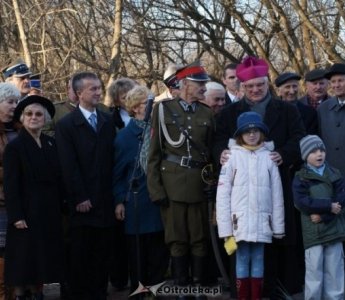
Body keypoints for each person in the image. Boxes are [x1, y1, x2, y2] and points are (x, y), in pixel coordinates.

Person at [214, 56, 305, 296]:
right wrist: (220, 153)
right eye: (250, 86)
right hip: (240, 191)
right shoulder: (229, 113)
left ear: (268, 84)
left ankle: (272, 287)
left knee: (274, 235)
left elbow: (299, 138)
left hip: (276, 183)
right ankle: (241, 290)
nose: (255, 90)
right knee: (241, 244)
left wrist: (283, 154)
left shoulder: (286, 110)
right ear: (241, 87)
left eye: (260, 85)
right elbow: (216, 140)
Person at [147, 61, 215, 296]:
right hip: (172, 184)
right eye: (199, 84)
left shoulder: (207, 112)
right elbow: (153, 153)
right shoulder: (163, 109)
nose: (203, 88)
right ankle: (181, 284)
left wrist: (212, 183)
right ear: (185, 84)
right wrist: (155, 190)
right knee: (176, 238)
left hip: (199, 182)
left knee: (199, 237)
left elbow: (211, 151)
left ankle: (198, 284)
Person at [55, 71, 116, 300]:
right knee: (80, 255)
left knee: (102, 255)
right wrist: (79, 196)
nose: (99, 92)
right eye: (93, 89)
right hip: (82, 205)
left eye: (99, 88)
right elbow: (67, 165)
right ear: (79, 93)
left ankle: (99, 293)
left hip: (105, 200)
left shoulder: (107, 121)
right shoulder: (66, 125)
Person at [217, 111, 285, 299]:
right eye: (247, 132)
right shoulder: (231, 158)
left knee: (258, 259)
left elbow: (277, 196)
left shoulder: (269, 158)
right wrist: (225, 229)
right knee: (242, 258)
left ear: (261, 132)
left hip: (263, 220)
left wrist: (278, 227)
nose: (252, 134)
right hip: (239, 222)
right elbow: (222, 196)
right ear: (240, 135)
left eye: (256, 131)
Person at [3, 95, 63, 300]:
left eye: (38, 114)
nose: (33, 117)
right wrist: (16, 215)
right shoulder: (15, 147)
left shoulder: (51, 143)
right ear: (22, 117)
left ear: (45, 119)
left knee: (42, 264)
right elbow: (11, 185)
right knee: (24, 264)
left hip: (48, 212)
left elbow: (58, 178)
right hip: (25, 214)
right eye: (29, 114)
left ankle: (39, 295)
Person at [113, 85, 169, 297]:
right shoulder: (124, 138)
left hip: (160, 201)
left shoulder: (162, 131)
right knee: (138, 255)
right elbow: (118, 174)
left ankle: (157, 291)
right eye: (149, 104)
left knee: (160, 252)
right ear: (136, 108)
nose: (153, 108)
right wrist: (119, 200)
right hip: (136, 203)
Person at [293, 135, 345, 299]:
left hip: (334, 229)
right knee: (314, 272)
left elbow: (342, 200)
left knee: (335, 271)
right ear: (305, 155)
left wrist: (324, 216)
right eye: (313, 151)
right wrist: (328, 206)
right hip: (313, 234)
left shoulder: (335, 174)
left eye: (321, 150)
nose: (319, 154)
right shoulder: (301, 177)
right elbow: (302, 202)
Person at [0, 83, 21, 300]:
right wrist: (14, 170)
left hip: (22, 201)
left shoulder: (19, 129)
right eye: (9, 102)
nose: (14, 106)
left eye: (16, 102)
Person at [318, 63, 345, 176]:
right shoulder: (323, 108)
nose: (336, 85)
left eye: (341, 81)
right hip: (331, 173)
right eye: (333, 82)